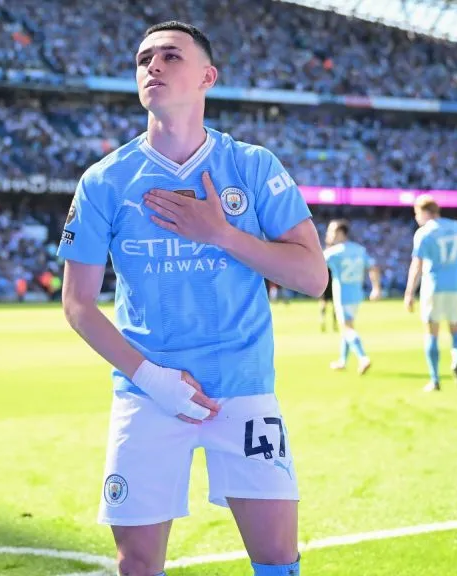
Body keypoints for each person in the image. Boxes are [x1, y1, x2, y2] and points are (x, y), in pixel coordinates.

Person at [57, 21, 327, 576]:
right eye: (143, 58)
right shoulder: (105, 181)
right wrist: (153, 377)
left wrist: (222, 233)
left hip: (244, 387)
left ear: (207, 76)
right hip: (148, 394)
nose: (152, 65)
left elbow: (313, 276)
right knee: (137, 564)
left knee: (278, 558)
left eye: (169, 55)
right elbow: (78, 304)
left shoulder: (253, 167)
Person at [404, 196, 457, 392]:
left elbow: (417, 265)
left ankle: (434, 379)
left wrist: (409, 293)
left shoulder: (424, 233)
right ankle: (456, 360)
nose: (417, 218)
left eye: (417, 214)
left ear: (426, 212)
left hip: (434, 286)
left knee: (431, 333)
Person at [322, 219, 382, 375]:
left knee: (346, 328)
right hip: (357, 294)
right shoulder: (359, 250)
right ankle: (342, 361)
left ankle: (363, 357)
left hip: (343, 294)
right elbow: (373, 267)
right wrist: (375, 288)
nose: (329, 234)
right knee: (348, 327)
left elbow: (316, 262)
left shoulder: (334, 252)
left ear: (341, 233)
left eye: (332, 231)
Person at [318, 267, 338, 333]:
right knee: (334, 304)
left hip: (327, 281)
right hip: (331, 282)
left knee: (325, 302)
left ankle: (323, 319)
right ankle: (333, 324)